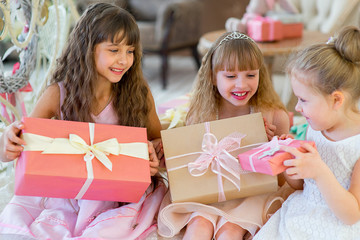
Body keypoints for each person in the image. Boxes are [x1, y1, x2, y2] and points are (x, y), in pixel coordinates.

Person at [0, 3, 166, 239]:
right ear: (88, 49)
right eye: (114, 50)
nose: (124, 60)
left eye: (130, 51)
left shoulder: (138, 93)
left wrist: (153, 156)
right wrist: (7, 142)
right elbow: (22, 148)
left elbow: (158, 141)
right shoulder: (58, 94)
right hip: (68, 191)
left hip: (117, 193)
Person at [157, 31, 290, 240]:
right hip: (210, 194)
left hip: (251, 194)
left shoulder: (274, 116)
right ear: (212, 76)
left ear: (260, 75)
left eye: (250, 75)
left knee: (230, 231)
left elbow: (284, 179)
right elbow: (191, 167)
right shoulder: (202, 115)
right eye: (230, 76)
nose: (241, 84)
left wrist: (270, 147)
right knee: (199, 227)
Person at [254, 26, 360, 239]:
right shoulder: (316, 127)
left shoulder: (356, 144)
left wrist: (319, 171)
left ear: (336, 100)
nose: (298, 108)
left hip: (337, 227)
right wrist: (290, 162)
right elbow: (302, 186)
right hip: (302, 213)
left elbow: (351, 215)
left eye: (303, 100)